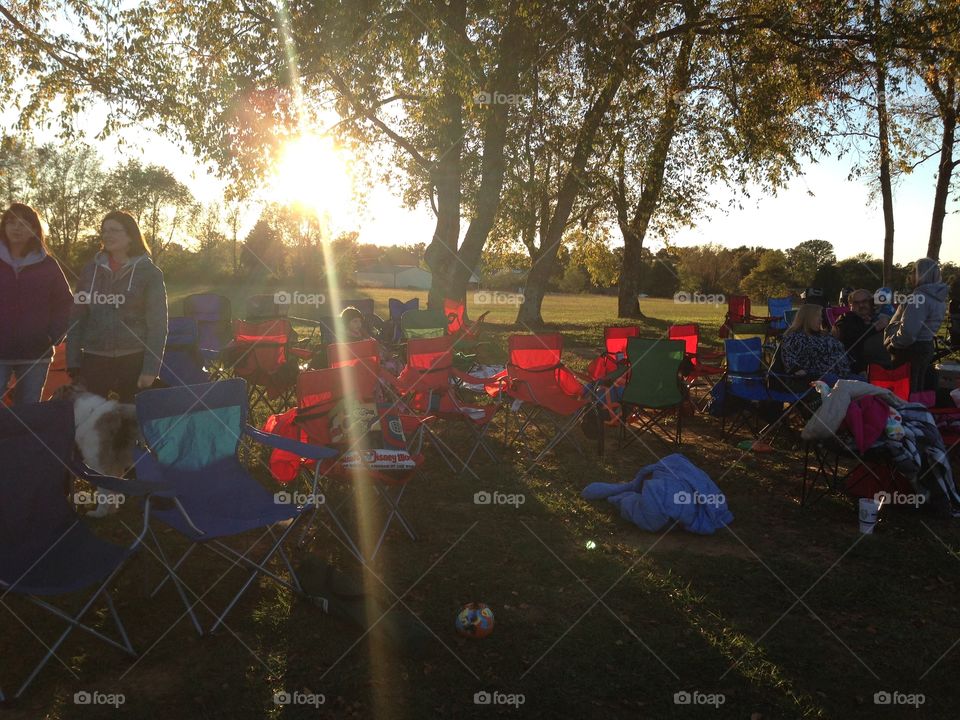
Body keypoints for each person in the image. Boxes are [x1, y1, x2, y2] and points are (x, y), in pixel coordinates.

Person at [67, 211, 168, 403]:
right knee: (93, 425)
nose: (107, 235)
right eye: (104, 231)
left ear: (131, 235)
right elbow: (76, 318)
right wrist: (72, 361)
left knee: (129, 425)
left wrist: (150, 370)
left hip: (133, 360)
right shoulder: (90, 271)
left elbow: (158, 325)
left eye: (114, 230)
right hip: (94, 359)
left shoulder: (150, 273)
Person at [0, 203, 73, 405]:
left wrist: (53, 335)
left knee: (29, 411)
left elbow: (66, 303)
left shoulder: (48, 265)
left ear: (34, 229)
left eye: (24, 223)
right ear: (4, 226)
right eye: (11, 222)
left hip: (35, 354)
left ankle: (24, 439)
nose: (16, 228)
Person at [884, 257, 947, 393]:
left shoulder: (919, 297)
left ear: (921, 274)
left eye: (913, 271)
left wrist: (893, 342)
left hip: (911, 350)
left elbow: (909, 332)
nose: (910, 275)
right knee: (918, 388)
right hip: (926, 346)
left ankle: (907, 413)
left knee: (905, 390)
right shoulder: (939, 298)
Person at [779, 303, 853, 380]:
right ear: (808, 318)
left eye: (821, 316)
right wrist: (799, 371)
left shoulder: (824, 334)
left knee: (863, 382)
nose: (821, 319)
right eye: (818, 316)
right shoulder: (795, 337)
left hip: (844, 374)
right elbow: (790, 360)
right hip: (820, 378)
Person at [831, 288, 891, 373]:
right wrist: (875, 328)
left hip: (884, 368)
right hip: (857, 370)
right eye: (856, 303)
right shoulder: (845, 319)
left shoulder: (879, 317)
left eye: (865, 301)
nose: (861, 305)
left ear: (871, 302)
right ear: (850, 305)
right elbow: (849, 337)